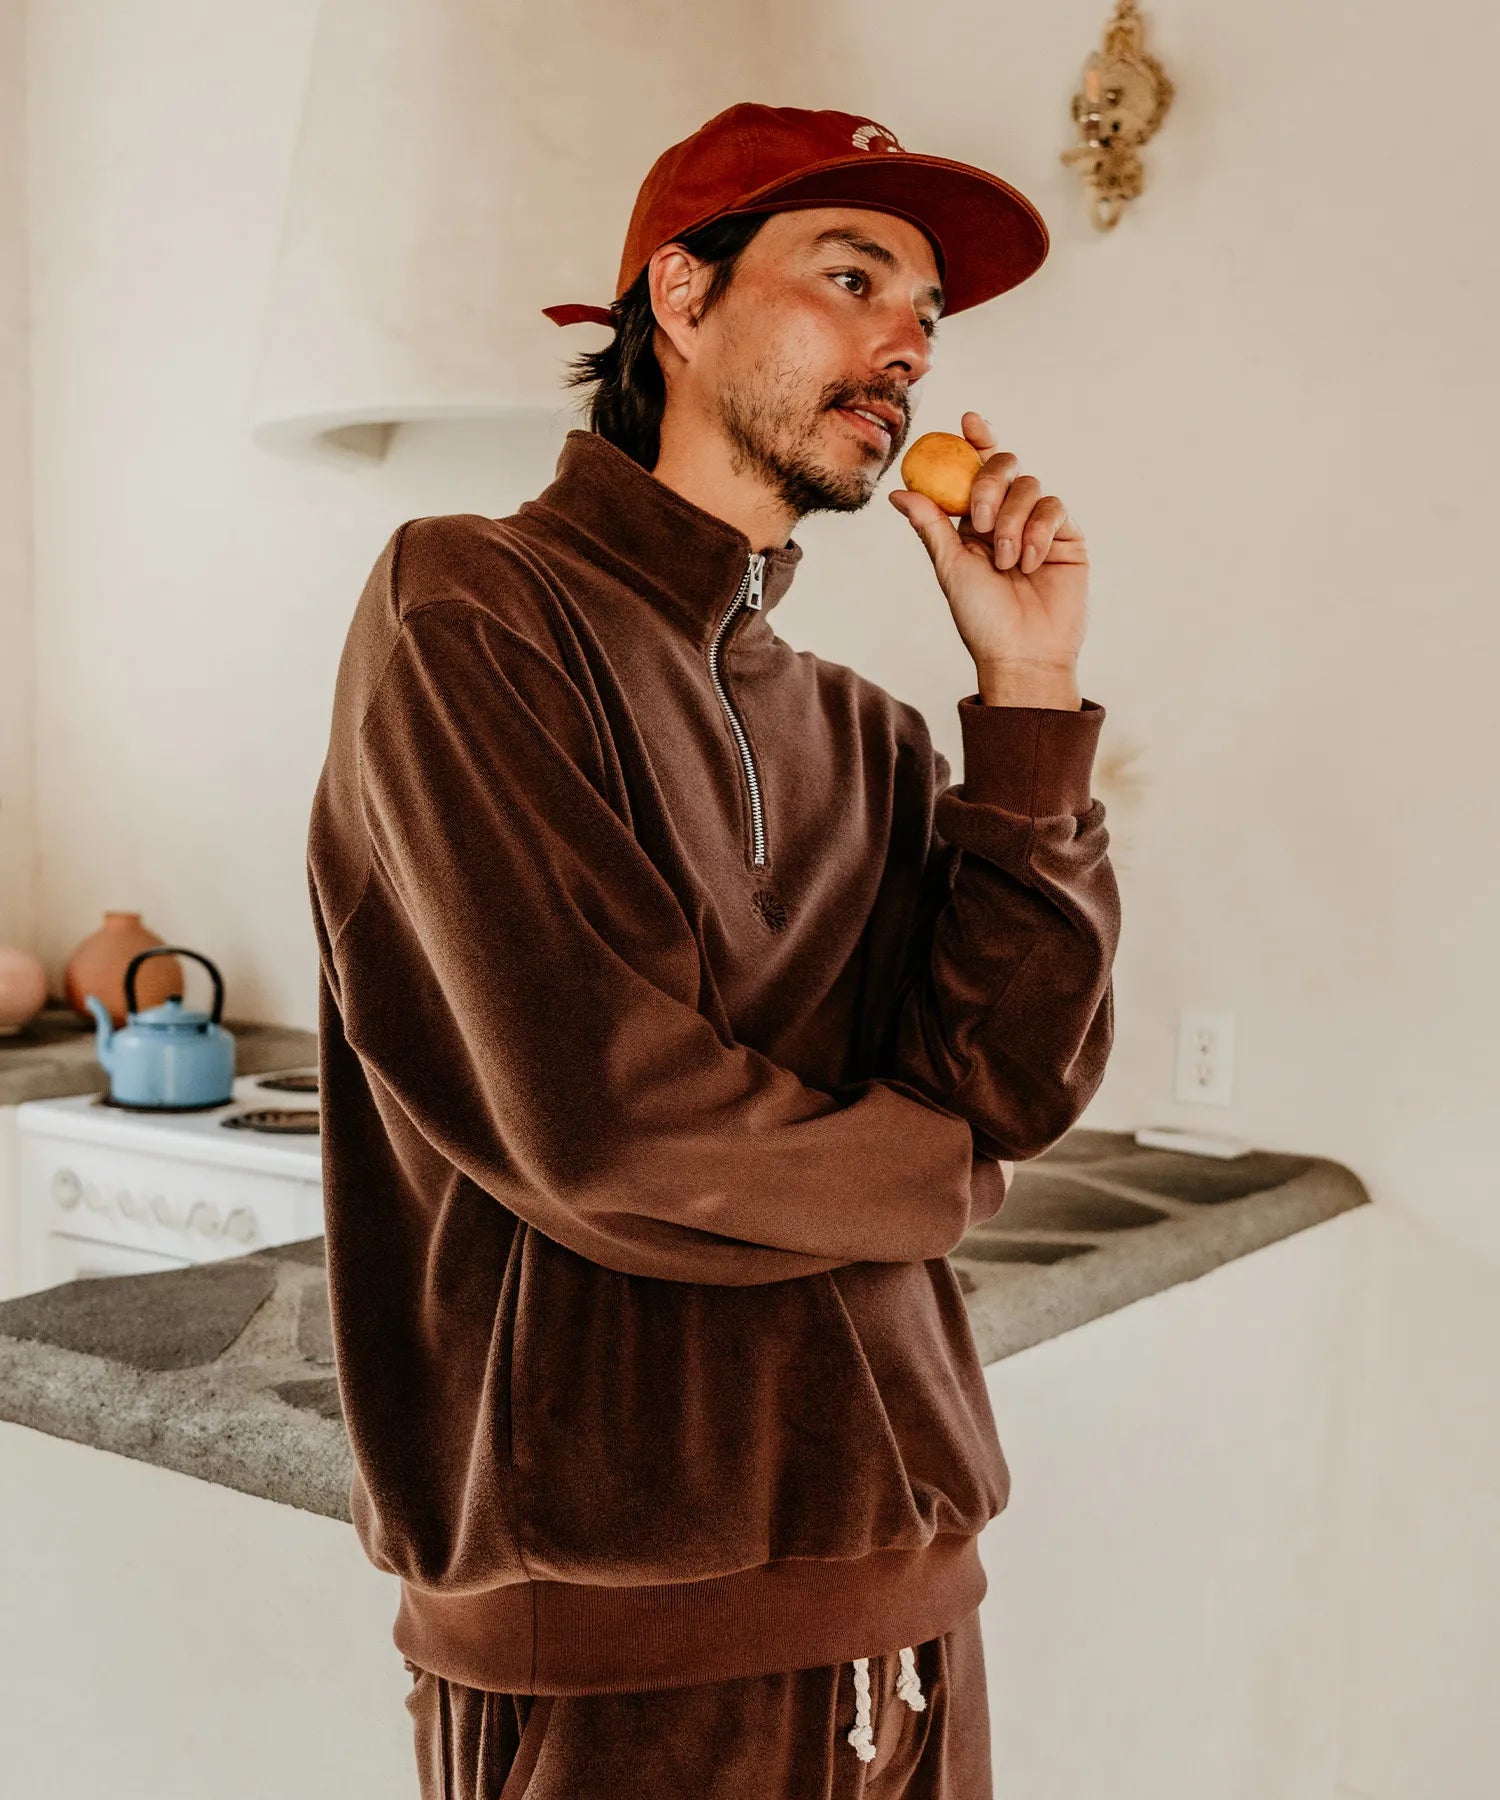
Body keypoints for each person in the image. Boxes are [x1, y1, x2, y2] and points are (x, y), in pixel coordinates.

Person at [305, 100, 1120, 1800]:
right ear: (681, 297)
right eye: (853, 277)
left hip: (914, 1616)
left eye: (928, 314)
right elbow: (614, 1124)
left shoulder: (874, 735)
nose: (907, 344)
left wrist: (1030, 699)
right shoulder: (471, 610)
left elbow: (1011, 1085)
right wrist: (941, 1177)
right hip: (618, 1661)